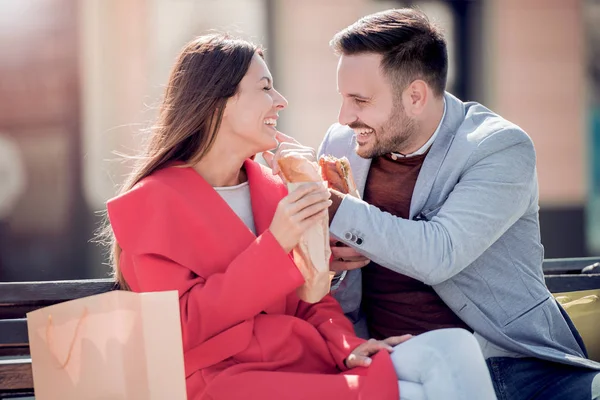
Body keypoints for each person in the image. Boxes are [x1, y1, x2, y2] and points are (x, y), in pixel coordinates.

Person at [101, 34, 496, 400]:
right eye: (264, 87)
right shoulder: (152, 204)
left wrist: (350, 346)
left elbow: (313, 302)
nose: (280, 100)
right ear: (218, 103)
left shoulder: (275, 188)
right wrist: (275, 244)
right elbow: (179, 327)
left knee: (453, 348)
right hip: (227, 380)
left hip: (305, 360)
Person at [266, 8, 600, 400]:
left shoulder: (498, 147)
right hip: (395, 364)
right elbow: (333, 280)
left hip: (515, 363)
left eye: (360, 100)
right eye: (343, 99)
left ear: (415, 96)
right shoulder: (342, 144)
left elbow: (439, 253)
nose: (344, 117)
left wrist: (331, 203)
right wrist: (332, 262)